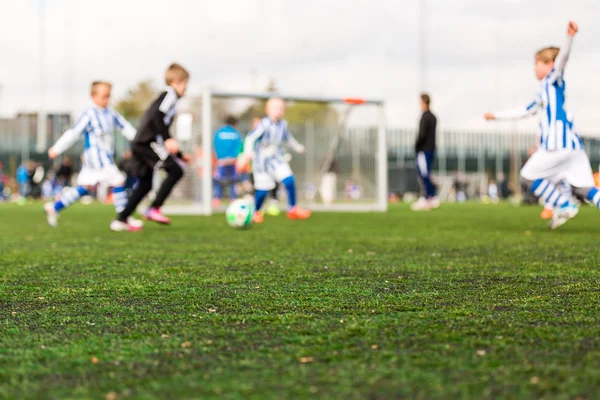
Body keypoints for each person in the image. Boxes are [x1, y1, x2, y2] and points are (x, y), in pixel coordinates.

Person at [485, 21, 597, 229]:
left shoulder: (553, 80)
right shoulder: (542, 94)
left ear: (549, 65)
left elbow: (562, 60)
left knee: (527, 178)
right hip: (573, 147)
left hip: (557, 145)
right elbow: (522, 111)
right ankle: (564, 203)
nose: (534, 68)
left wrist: (569, 38)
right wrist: (497, 116)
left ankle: (564, 204)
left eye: (537, 63)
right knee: (584, 189)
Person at [43, 81, 141, 229]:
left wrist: (143, 141)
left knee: (85, 187)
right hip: (96, 158)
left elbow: (126, 128)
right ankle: (122, 219)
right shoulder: (89, 114)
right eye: (103, 97)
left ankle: (55, 207)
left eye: (108, 96)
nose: (106, 100)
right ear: (93, 96)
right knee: (119, 181)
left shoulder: (111, 113)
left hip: (103, 157)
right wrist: (57, 148)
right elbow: (74, 133)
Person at [113, 63, 192, 231]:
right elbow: (157, 115)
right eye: (186, 84)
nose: (186, 88)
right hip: (147, 143)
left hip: (141, 143)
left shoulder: (169, 97)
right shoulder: (170, 94)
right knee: (176, 171)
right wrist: (168, 139)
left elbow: (160, 123)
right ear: (176, 81)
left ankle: (121, 219)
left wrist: (179, 154)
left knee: (145, 184)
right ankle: (154, 208)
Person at [237, 97, 311, 223]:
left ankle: (292, 209)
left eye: (281, 108)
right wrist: (248, 152)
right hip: (262, 162)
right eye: (275, 108)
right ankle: (256, 212)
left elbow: (289, 138)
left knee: (289, 179)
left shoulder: (283, 124)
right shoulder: (264, 124)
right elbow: (250, 137)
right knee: (263, 190)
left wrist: (298, 147)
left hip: (277, 159)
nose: (278, 111)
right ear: (267, 110)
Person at [412, 93, 439, 211]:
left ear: (423, 102)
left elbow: (422, 135)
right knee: (427, 173)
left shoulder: (425, 117)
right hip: (432, 149)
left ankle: (427, 198)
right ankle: (431, 197)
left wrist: (416, 146)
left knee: (423, 174)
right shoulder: (433, 117)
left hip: (424, 150)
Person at [212, 115, 242, 207]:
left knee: (218, 181)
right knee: (233, 180)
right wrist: (234, 157)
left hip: (221, 160)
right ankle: (233, 199)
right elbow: (239, 146)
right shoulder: (236, 133)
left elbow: (215, 145)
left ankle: (216, 199)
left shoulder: (219, 132)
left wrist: (219, 157)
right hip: (232, 160)